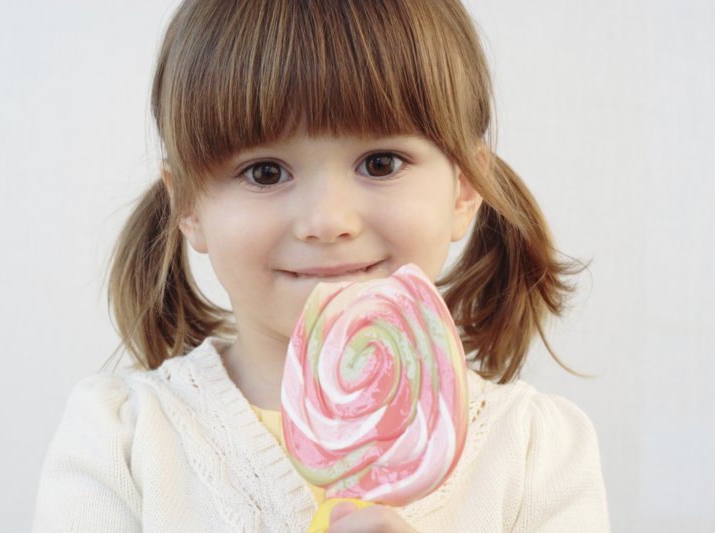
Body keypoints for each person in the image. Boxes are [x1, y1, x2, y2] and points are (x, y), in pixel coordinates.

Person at [33, 0, 610, 531]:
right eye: (265, 172)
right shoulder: (122, 443)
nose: (328, 220)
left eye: (381, 163)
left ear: (464, 189)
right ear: (188, 204)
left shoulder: (537, 452)